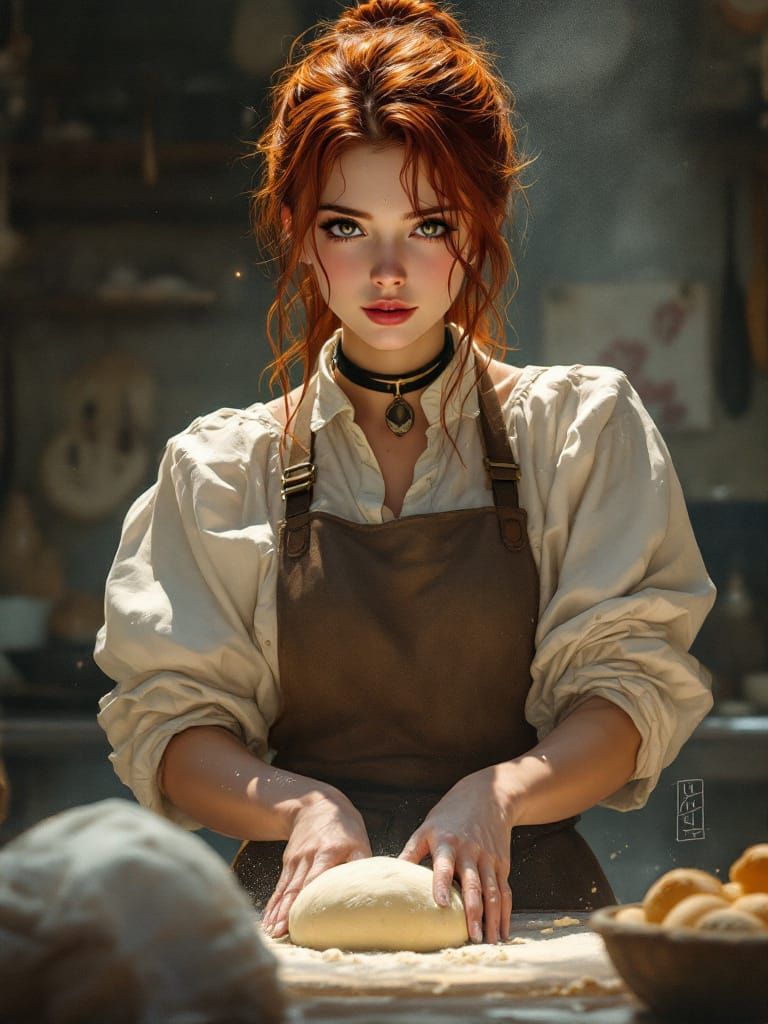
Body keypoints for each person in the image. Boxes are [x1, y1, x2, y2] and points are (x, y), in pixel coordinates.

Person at [95, 0, 715, 947]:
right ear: (301, 234)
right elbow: (173, 728)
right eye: (348, 227)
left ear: (480, 224)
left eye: (428, 225)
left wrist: (500, 795)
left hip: (528, 913)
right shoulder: (223, 468)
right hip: (295, 926)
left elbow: (629, 693)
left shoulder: (580, 432)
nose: (388, 269)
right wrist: (300, 807)